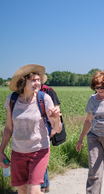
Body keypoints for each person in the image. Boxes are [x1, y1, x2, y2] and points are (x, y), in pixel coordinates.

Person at [0, 64, 62, 194]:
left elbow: (57, 129)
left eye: (39, 79)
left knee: (33, 191)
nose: (37, 82)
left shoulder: (44, 99)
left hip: (39, 150)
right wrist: (0, 151)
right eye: (33, 80)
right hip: (17, 151)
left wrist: (56, 119)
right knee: (22, 190)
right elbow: (8, 129)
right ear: (23, 81)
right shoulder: (12, 100)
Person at [40, 80, 62, 193]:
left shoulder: (48, 91)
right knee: (40, 157)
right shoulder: (26, 93)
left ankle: (43, 185)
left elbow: (56, 110)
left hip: (48, 129)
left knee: (39, 157)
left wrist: (53, 131)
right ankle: (45, 184)